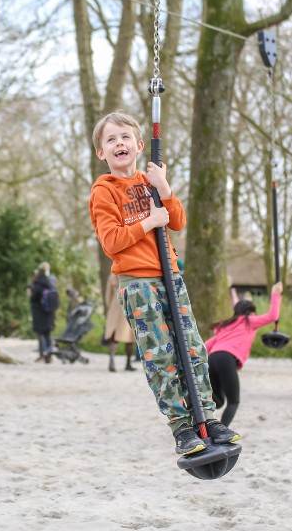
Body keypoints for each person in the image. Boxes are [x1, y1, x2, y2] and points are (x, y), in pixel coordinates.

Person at [88, 111, 239, 456]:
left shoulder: (150, 181)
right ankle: (181, 426)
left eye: (125, 137)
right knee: (162, 356)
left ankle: (207, 417)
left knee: (193, 348)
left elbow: (179, 222)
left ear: (140, 145)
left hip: (170, 276)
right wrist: (149, 221)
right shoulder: (104, 191)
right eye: (110, 140)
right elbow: (111, 242)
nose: (119, 144)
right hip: (138, 285)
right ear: (102, 153)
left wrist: (164, 189)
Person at [205, 283, 283, 426]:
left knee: (218, 401)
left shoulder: (226, 325)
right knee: (234, 401)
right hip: (226, 359)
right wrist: (276, 293)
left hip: (212, 358)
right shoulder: (249, 321)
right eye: (253, 312)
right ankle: (223, 432)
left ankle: (197, 401)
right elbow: (272, 316)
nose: (255, 315)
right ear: (250, 313)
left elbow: (205, 346)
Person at [104, 272, 136, 372]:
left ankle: (112, 360)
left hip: (115, 304)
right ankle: (128, 363)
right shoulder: (132, 272)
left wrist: (110, 307)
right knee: (129, 336)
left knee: (113, 335)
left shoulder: (113, 274)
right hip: (129, 304)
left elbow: (108, 294)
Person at [30, 262, 58, 363]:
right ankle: (49, 354)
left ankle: (43, 353)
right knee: (48, 332)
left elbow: (34, 298)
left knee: (40, 332)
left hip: (39, 311)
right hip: (50, 311)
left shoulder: (38, 283)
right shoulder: (52, 281)